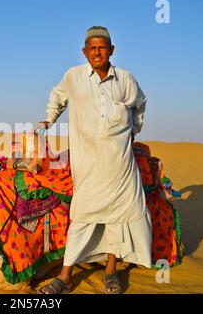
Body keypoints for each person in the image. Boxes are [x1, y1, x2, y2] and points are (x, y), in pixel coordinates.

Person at [34, 26, 152, 294]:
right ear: (85, 52)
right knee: (83, 216)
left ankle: (111, 272)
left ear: (111, 50)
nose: (97, 52)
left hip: (120, 165)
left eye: (103, 47)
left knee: (118, 218)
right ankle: (65, 275)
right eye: (92, 48)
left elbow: (140, 105)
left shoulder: (125, 79)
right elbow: (57, 98)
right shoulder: (74, 77)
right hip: (87, 163)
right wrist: (49, 119)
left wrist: (133, 132)